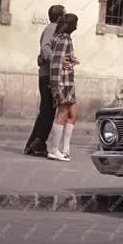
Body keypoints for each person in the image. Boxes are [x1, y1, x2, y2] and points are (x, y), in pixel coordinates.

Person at [24, 4, 66, 157]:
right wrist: (57, 60)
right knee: (48, 111)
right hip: (48, 75)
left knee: (46, 111)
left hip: (47, 74)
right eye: (65, 14)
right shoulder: (52, 28)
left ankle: (33, 145)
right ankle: (37, 144)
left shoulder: (54, 29)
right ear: (60, 17)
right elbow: (45, 47)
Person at [47, 13, 79, 161]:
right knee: (62, 114)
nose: (77, 25)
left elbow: (61, 59)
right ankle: (53, 150)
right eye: (76, 22)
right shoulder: (63, 38)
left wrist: (72, 61)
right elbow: (55, 63)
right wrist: (56, 85)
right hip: (63, 82)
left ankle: (65, 149)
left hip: (68, 82)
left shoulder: (63, 38)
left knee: (73, 114)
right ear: (71, 25)